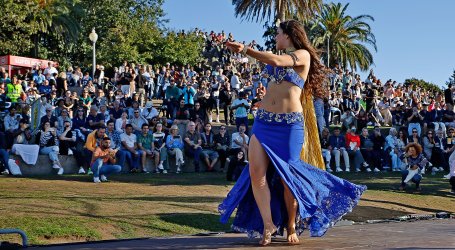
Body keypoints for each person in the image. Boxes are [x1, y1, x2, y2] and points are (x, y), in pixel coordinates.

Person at [219, 20, 366, 246]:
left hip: (288, 126)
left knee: (289, 180)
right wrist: (264, 100)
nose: (275, 37)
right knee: (256, 173)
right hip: (263, 122)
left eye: (278, 34)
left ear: (288, 35)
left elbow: (278, 61)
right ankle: (268, 224)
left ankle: (290, 224)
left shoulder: (303, 55)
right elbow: (277, 82)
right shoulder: (279, 55)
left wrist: (246, 50)